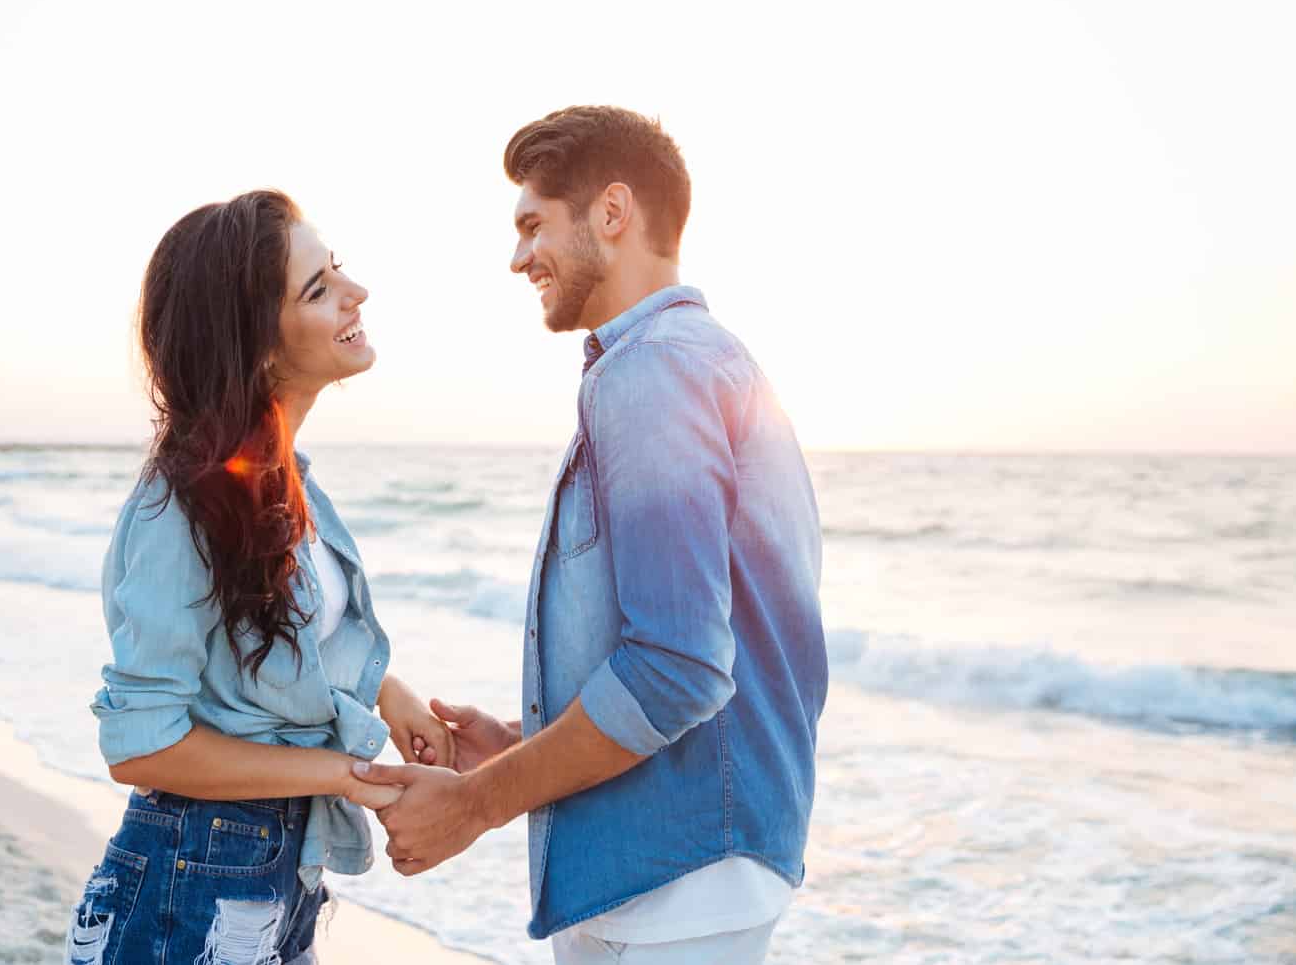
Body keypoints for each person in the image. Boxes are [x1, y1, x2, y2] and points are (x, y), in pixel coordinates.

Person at [353, 107, 829, 964]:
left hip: (678, 879)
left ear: (612, 213)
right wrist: (525, 751)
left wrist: (477, 803)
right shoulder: (693, 362)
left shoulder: (653, 371)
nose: (517, 257)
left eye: (533, 224)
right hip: (662, 868)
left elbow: (679, 666)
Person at [65, 189, 453, 965]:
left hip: (274, 874)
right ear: (258, 347)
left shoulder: (279, 484)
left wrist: (391, 692)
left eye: (335, 269)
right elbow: (141, 747)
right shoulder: (180, 507)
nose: (357, 292)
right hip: (190, 878)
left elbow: (287, 643)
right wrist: (346, 774)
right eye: (317, 289)